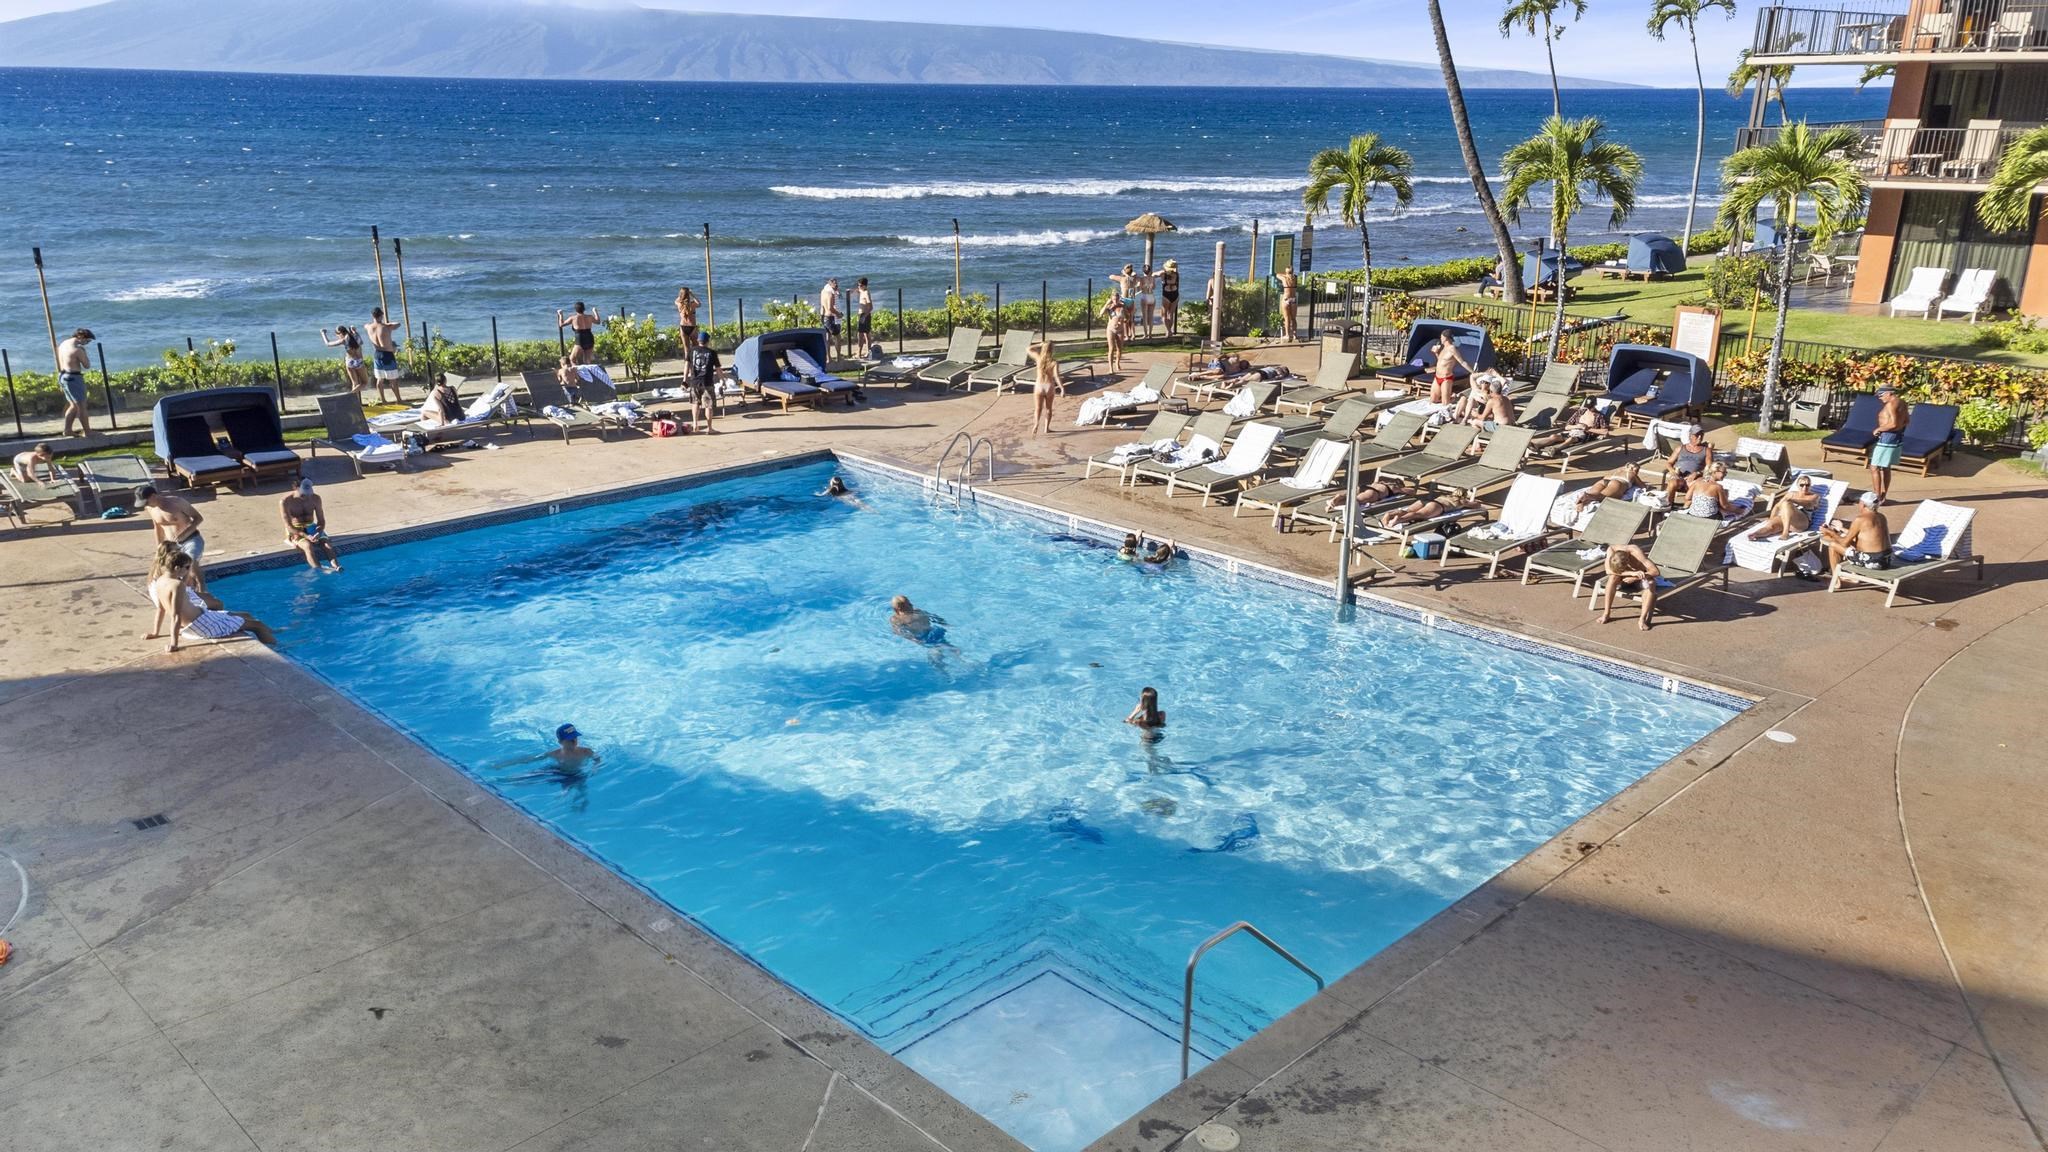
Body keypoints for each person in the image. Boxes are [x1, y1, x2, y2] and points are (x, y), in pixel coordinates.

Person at [144, 551, 274, 651]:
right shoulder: (177, 585)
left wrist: (156, 633)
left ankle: (271, 633)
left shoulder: (160, 582)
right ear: (177, 568)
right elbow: (176, 615)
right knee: (258, 626)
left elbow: (160, 609)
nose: (189, 570)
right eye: (187, 567)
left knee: (246, 615)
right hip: (202, 625)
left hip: (203, 618)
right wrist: (174, 643)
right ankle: (278, 649)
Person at [139, 485, 207, 592]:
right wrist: (159, 548)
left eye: (146, 502)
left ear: (153, 496)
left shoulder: (177, 502)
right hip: (173, 545)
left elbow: (198, 518)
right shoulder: (150, 508)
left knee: (191, 564)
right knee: (172, 571)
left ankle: (204, 594)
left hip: (191, 539)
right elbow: (157, 527)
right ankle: (186, 596)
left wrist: (185, 533)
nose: (146, 505)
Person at [1595, 542, 1661, 631]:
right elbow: (1608, 571)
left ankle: (1642, 619)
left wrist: (1635, 578)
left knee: (1651, 583)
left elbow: (1655, 571)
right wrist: (1631, 573)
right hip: (1628, 577)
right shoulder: (1611, 550)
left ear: (1628, 561)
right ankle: (1606, 613)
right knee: (1612, 577)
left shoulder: (1636, 553)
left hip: (1640, 578)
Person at [280, 478, 342, 572]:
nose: (306, 496)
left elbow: (321, 520)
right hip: (296, 528)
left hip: (311, 526)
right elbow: (288, 526)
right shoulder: (285, 502)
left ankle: (336, 567)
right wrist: (306, 536)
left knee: (327, 545)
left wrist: (318, 531)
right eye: (303, 494)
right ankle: (320, 570)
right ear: (295, 488)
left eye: (308, 493)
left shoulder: (315, 498)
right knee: (307, 546)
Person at [1821, 491, 1891, 573]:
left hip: (1872, 561)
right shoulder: (1882, 517)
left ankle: (1836, 580)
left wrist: (1830, 532)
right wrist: (1841, 528)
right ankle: (1836, 570)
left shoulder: (1860, 519)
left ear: (1863, 504)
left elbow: (1844, 543)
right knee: (1847, 539)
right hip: (1886, 559)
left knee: (1833, 545)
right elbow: (1864, 535)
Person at [1745, 474, 1823, 541]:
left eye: (1807, 485)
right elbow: (1777, 506)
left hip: (1802, 523)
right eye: (1802, 485)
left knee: (1786, 503)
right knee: (1771, 527)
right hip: (1785, 519)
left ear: (1810, 486)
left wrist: (1792, 500)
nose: (1805, 487)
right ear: (1798, 486)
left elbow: (1809, 503)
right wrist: (1772, 518)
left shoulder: (1814, 496)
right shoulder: (1791, 494)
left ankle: (1785, 532)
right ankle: (1754, 535)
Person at [890, 594, 958, 663]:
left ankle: (963, 662)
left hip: (933, 632)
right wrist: (913, 639)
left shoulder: (918, 611)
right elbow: (898, 632)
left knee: (955, 649)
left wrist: (945, 624)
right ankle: (942, 669)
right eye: (909, 605)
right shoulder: (897, 619)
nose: (912, 605)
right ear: (900, 608)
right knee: (936, 653)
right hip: (922, 638)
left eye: (910, 603)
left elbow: (933, 617)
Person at [1869, 385, 1908, 505]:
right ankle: (1883, 495)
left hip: (1888, 437)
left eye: (1880, 395)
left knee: (1874, 467)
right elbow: (1906, 421)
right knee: (1886, 467)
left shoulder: (1891, 404)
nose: (1880, 398)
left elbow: (1893, 424)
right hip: (1896, 436)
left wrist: (1879, 429)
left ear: (1888, 393)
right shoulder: (1902, 403)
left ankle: (1877, 496)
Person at [1532, 400, 1612, 457]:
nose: (1588, 409)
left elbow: (1605, 431)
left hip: (1584, 435)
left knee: (1571, 439)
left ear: (1595, 405)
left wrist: (1587, 429)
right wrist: (1577, 426)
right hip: (1572, 431)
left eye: (1590, 407)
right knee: (1554, 436)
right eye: (1587, 407)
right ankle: (1536, 445)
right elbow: (1567, 427)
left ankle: (1555, 449)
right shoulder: (1580, 412)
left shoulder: (1599, 416)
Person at [1658, 424, 1713, 506]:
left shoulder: (1706, 450)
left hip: (1695, 479)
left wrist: (1697, 473)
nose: (1699, 437)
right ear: (1690, 436)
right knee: (1673, 483)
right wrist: (1673, 471)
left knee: (1698, 485)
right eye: (1697, 435)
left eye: (1701, 435)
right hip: (1679, 476)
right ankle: (1668, 505)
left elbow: (1709, 467)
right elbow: (1669, 463)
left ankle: (1686, 508)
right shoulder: (1680, 448)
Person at [56, 327, 93, 438]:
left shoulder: (63, 344)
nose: (87, 343)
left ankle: (67, 430)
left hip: (63, 376)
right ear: (81, 336)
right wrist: (84, 352)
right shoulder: (77, 349)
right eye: (87, 341)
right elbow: (87, 365)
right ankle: (87, 432)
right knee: (82, 406)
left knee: (73, 405)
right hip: (73, 377)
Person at [364, 308, 404, 403]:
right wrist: (386, 323)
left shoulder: (369, 327)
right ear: (381, 315)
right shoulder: (386, 327)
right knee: (393, 381)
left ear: (372, 316)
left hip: (377, 354)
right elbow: (398, 324)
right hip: (388, 355)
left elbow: (365, 325)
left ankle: (383, 400)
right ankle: (399, 400)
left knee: (380, 379)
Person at [1323, 474, 1414, 515]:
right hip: (1373, 493)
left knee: (1350, 496)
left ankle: (1336, 500)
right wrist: (1401, 489)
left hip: (1365, 487)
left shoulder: (1379, 482)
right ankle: (1335, 503)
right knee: (1355, 501)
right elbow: (1412, 491)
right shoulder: (1394, 487)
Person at [1381, 493, 1480, 529]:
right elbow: (1477, 505)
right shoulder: (1461, 500)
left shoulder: (1445, 496)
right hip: (1436, 506)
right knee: (1417, 514)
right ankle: (1398, 520)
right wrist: (1468, 501)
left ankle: (1389, 514)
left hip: (1427, 501)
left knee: (1407, 510)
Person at [319, 324, 370, 395]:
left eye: (337, 335)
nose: (338, 337)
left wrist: (323, 333)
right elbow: (361, 342)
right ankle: (351, 393)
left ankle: (354, 400)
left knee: (354, 383)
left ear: (340, 333)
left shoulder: (343, 340)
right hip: (358, 361)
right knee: (364, 383)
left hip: (350, 362)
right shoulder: (356, 335)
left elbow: (328, 344)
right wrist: (354, 330)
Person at [686, 331, 721, 433]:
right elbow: (718, 368)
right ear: (708, 341)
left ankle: (695, 424)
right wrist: (722, 379)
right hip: (707, 382)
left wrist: (684, 379)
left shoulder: (691, 351)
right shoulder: (712, 353)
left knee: (695, 403)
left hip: (694, 382)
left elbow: (686, 365)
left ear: (698, 340)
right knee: (708, 406)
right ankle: (709, 428)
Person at [1572, 462, 1641, 513]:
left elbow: (1605, 477)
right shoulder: (1632, 474)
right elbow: (1643, 486)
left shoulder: (1618, 471)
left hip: (1604, 481)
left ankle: (1582, 502)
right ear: (1633, 469)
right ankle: (1586, 496)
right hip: (1616, 483)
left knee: (1594, 495)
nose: (1637, 472)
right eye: (1637, 470)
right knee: (1603, 497)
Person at [1427, 332, 1470, 406]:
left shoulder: (1452, 349)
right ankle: (1452, 398)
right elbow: (1440, 361)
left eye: (1441, 337)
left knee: (1445, 403)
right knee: (1433, 400)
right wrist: (1436, 353)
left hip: (1446, 378)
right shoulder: (1443, 348)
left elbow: (1462, 362)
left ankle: (1452, 399)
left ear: (1445, 338)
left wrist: (1473, 372)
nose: (1440, 339)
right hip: (1437, 377)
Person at [1031, 341, 1060, 437]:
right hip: (1049, 386)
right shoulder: (1054, 362)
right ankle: (1046, 428)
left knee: (1038, 408)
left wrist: (1039, 345)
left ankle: (1036, 424)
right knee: (1048, 409)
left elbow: (1028, 349)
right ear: (1052, 350)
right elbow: (1056, 376)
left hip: (1039, 385)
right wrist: (1062, 388)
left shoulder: (1038, 359)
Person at [1100, 296, 1128, 374]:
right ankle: (1110, 368)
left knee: (1119, 349)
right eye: (1114, 299)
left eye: (1117, 299)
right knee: (1111, 349)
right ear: (1112, 299)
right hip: (1111, 329)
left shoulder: (1122, 306)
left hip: (1120, 330)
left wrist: (1124, 320)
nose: (1115, 300)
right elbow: (1101, 313)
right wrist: (1106, 303)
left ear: (1119, 299)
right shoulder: (1109, 307)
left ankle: (1117, 363)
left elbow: (1128, 316)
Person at [1158, 260, 1181, 337]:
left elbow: (1154, 274)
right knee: (1171, 314)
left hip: (1166, 295)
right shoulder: (1176, 274)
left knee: (1163, 315)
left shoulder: (1163, 274)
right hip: (1175, 295)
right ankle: (1169, 331)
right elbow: (1175, 270)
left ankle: (1168, 331)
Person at [820, 278, 842, 352]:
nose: (836, 285)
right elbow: (830, 308)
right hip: (831, 317)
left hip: (825, 316)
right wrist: (838, 314)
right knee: (837, 337)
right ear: (830, 284)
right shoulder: (830, 293)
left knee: (827, 338)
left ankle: (828, 358)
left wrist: (822, 317)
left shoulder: (823, 292)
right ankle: (839, 357)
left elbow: (822, 306)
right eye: (835, 283)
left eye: (837, 284)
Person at [854, 277, 874, 358]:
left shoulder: (866, 293)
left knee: (861, 334)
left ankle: (860, 352)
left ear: (865, 286)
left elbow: (870, 307)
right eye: (858, 285)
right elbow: (858, 290)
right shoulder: (862, 291)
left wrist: (864, 316)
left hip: (864, 315)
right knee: (865, 334)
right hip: (862, 315)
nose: (859, 287)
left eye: (861, 285)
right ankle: (868, 352)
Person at [1277, 267, 1299, 341]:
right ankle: (1295, 334)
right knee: (1293, 318)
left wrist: (1285, 274)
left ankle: (1287, 335)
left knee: (1286, 318)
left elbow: (1277, 275)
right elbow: (1292, 274)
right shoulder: (1295, 277)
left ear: (1286, 272)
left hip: (1286, 298)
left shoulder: (1284, 278)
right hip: (1293, 299)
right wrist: (1289, 273)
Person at [1135, 263, 1157, 338]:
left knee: (1145, 317)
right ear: (1150, 271)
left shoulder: (1141, 279)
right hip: (1152, 296)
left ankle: (1145, 334)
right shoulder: (1153, 278)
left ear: (1143, 271)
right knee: (1151, 317)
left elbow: (1139, 288)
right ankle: (1150, 334)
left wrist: (1139, 285)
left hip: (1145, 296)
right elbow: (1154, 287)